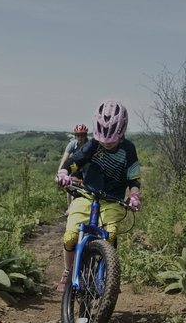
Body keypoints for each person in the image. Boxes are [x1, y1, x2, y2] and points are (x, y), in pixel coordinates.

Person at [55, 99, 141, 292]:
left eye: (112, 141)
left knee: (110, 235)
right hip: (87, 196)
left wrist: (134, 195)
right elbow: (75, 161)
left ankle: (107, 275)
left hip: (113, 200)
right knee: (70, 236)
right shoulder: (93, 145)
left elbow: (133, 179)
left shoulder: (128, 149)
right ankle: (68, 271)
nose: (107, 144)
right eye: (103, 140)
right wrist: (64, 173)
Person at [58, 124, 89, 212]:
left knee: (89, 186)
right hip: (76, 165)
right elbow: (65, 158)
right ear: (75, 136)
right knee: (70, 183)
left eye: (82, 135)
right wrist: (60, 172)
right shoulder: (72, 144)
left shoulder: (90, 145)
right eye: (78, 135)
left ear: (85, 135)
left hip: (87, 166)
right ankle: (69, 206)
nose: (80, 137)